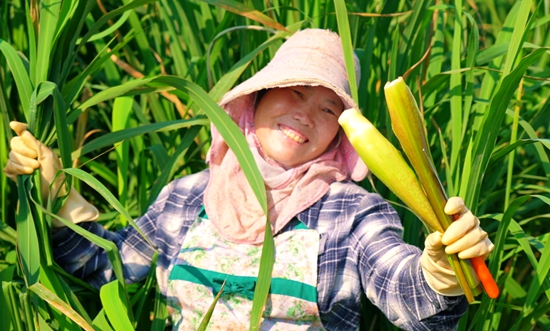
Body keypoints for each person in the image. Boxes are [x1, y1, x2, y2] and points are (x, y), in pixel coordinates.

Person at [4, 29, 494, 331]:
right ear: (253, 101)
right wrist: (58, 194)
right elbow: (106, 270)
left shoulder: (354, 212)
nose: (306, 114)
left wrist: (441, 273)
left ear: (341, 135)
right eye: (294, 92)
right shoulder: (186, 196)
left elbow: (409, 302)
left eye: (329, 107)